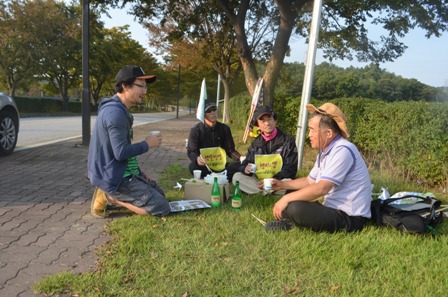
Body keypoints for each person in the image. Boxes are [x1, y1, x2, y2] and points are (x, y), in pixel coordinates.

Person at [265, 102, 372, 233]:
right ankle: (291, 222)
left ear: (328, 133)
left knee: (295, 207)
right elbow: (310, 181)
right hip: (332, 208)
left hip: (350, 217)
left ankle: (292, 223)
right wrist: (282, 184)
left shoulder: (343, 150)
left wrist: (285, 199)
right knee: (292, 193)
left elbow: (322, 188)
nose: (309, 135)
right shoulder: (326, 150)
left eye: (312, 130)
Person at [88, 65, 171, 218]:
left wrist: (138, 171)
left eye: (146, 87)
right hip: (113, 176)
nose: (145, 92)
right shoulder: (115, 114)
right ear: (126, 86)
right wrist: (147, 144)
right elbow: (120, 153)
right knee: (162, 207)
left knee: (160, 194)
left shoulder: (122, 111)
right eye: (141, 86)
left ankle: (115, 192)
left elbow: (122, 149)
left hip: (121, 171)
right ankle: (109, 197)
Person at [233, 105, 298, 194]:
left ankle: (262, 193)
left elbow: (291, 169)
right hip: (259, 182)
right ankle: (266, 193)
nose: (267, 123)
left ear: (274, 120)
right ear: (258, 125)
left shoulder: (288, 141)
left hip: (279, 181)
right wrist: (245, 168)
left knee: (289, 181)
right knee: (237, 177)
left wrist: (274, 180)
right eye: (262, 121)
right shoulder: (255, 144)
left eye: (269, 119)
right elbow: (246, 163)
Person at [187, 99, 242, 181]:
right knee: (193, 167)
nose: (212, 113)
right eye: (209, 111)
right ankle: (221, 176)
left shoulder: (224, 129)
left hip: (220, 164)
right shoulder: (196, 130)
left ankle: (219, 175)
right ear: (203, 113)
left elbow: (230, 150)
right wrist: (197, 159)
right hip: (204, 165)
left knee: (241, 165)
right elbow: (191, 151)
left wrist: (240, 158)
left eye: (214, 109)